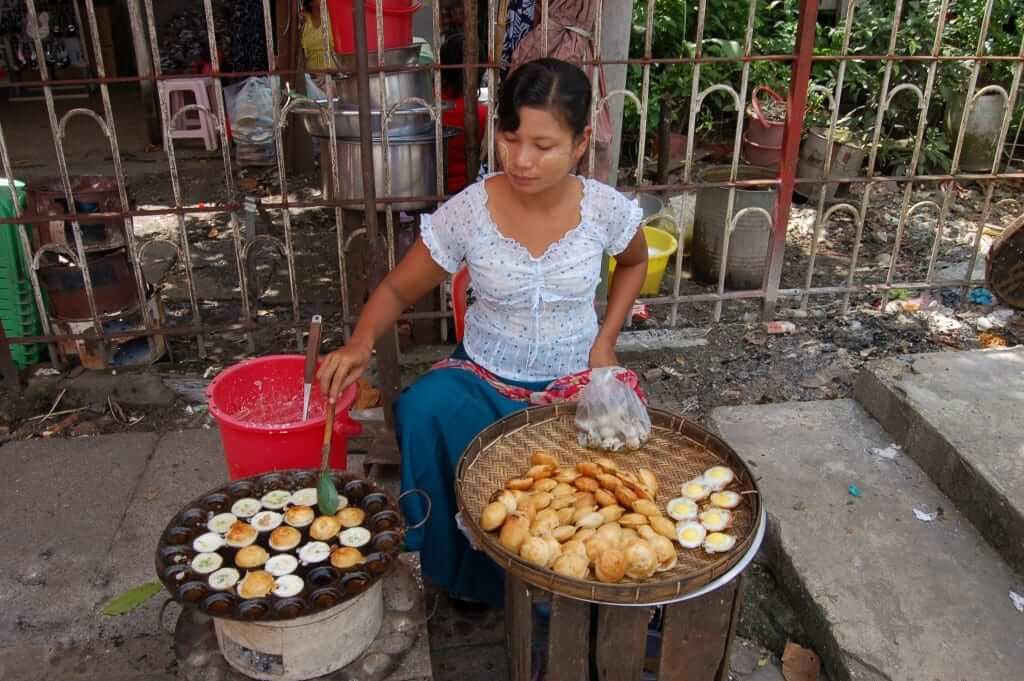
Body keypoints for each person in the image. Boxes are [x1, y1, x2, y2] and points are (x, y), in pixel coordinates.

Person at [317, 58, 648, 607]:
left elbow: (634, 263)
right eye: (510, 138)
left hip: (574, 380)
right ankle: (469, 582)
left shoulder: (605, 211)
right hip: (484, 374)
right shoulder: (470, 211)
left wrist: (605, 341)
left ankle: (576, 590)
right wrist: (359, 342)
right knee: (423, 410)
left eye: (543, 146)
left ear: (581, 140)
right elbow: (399, 289)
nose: (521, 160)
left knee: (607, 478)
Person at [300, 0, 333, 92]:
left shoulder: (333, 16)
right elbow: (300, 54)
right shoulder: (304, 20)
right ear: (311, 3)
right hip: (311, 77)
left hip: (333, 74)